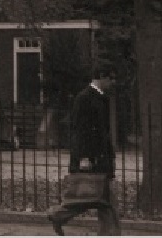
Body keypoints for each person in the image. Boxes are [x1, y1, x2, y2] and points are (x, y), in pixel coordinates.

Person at [47, 67, 121, 235]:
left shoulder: (100, 98)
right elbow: (80, 130)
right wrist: (84, 157)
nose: (113, 82)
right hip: (92, 157)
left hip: (101, 156)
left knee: (102, 200)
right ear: (101, 76)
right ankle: (58, 214)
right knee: (96, 199)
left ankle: (59, 215)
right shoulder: (84, 98)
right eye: (111, 78)